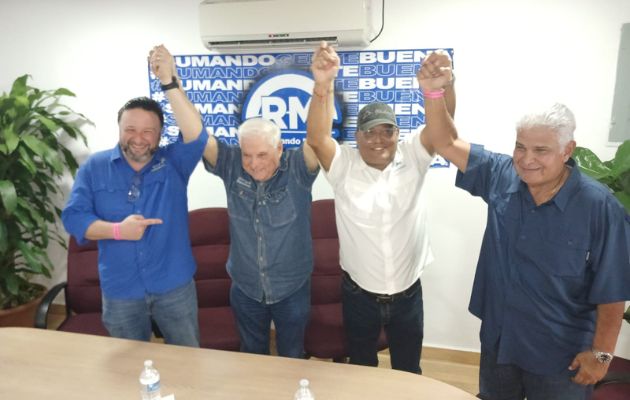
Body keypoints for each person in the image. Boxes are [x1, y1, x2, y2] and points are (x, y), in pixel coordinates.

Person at [418, 56, 630, 399]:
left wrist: (601, 355)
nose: (527, 159)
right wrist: (433, 94)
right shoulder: (502, 175)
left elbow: (612, 292)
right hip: (500, 342)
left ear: (567, 151)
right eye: (520, 147)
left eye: (541, 150)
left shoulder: (599, 207)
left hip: (561, 355)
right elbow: (444, 142)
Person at [305, 41, 456, 373]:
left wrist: (445, 86)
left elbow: (443, 129)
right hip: (359, 296)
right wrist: (322, 84)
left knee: (409, 372)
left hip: (407, 296)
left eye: (386, 131)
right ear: (356, 137)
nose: (378, 139)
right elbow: (316, 138)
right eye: (369, 132)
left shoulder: (413, 156)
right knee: (362, 370)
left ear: (397, 133)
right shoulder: (344, 164)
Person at [62, 45, 208, 346]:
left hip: (173, 286)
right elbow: (73, 218)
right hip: (121, 290)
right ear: (119, 128)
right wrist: (117, 230)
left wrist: (169, 81)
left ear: (159, 134)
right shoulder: (95, 166)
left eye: (148, 131)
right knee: (129, 367)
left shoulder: (174, 164)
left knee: (189, 360)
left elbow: (197, 134)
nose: (138, 139)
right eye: (130, 129)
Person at [199, 86, 320, 358]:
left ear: (279, 148)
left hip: (292, 287)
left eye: (262, 155)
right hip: (246, 288)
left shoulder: (298, 169)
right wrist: (172, 84)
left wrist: (322, 87)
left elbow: (317, 137)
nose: (253, 164)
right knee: (252, 356)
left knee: (292, 356)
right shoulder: (231, 165)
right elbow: (198, 137)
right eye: (247, 155)